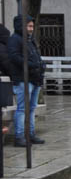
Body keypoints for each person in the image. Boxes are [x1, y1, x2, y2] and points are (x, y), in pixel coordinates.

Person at [8, 15, 45, 147]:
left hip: (34, 79)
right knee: (23, 109)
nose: (31, 29)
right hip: (23, 79)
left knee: (32, 109)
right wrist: (30, 64)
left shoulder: (30, 40)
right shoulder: (15, 40)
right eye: (28, 26)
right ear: (21, 26)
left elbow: (36, 55)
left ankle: (30, 134)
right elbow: (14, 57)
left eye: (32, 26)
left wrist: (40, 65)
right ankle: (19, 136)